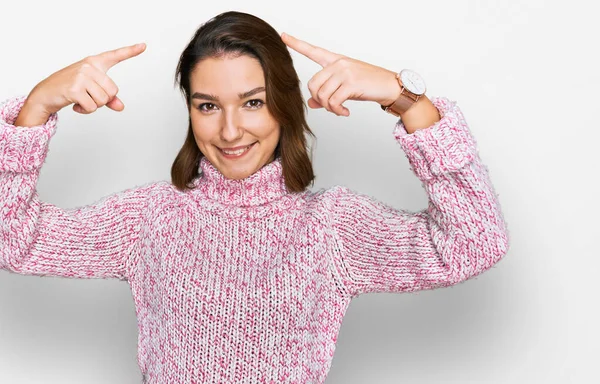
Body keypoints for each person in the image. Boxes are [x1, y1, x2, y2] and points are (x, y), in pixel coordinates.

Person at [0, 10, 510, 384]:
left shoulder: (330, 226)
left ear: (284, 106)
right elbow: (14, 242)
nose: (229, 130)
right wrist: (36, 108)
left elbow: (474, 242)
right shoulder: (150, 218)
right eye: (207, 105)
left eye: (253, 102)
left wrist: (406, 98)